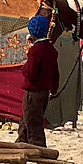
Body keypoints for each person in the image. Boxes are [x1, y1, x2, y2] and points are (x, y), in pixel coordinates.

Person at [18, 15, 58, 147]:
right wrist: (54, 90)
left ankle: (40, 150)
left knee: (33, 124)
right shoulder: (51, 49)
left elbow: (30, 74)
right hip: (44, 92)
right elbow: (55, 73)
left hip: (32, 93)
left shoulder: (35, 51)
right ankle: (21, 144)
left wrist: (24, 67)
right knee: (25, 121)